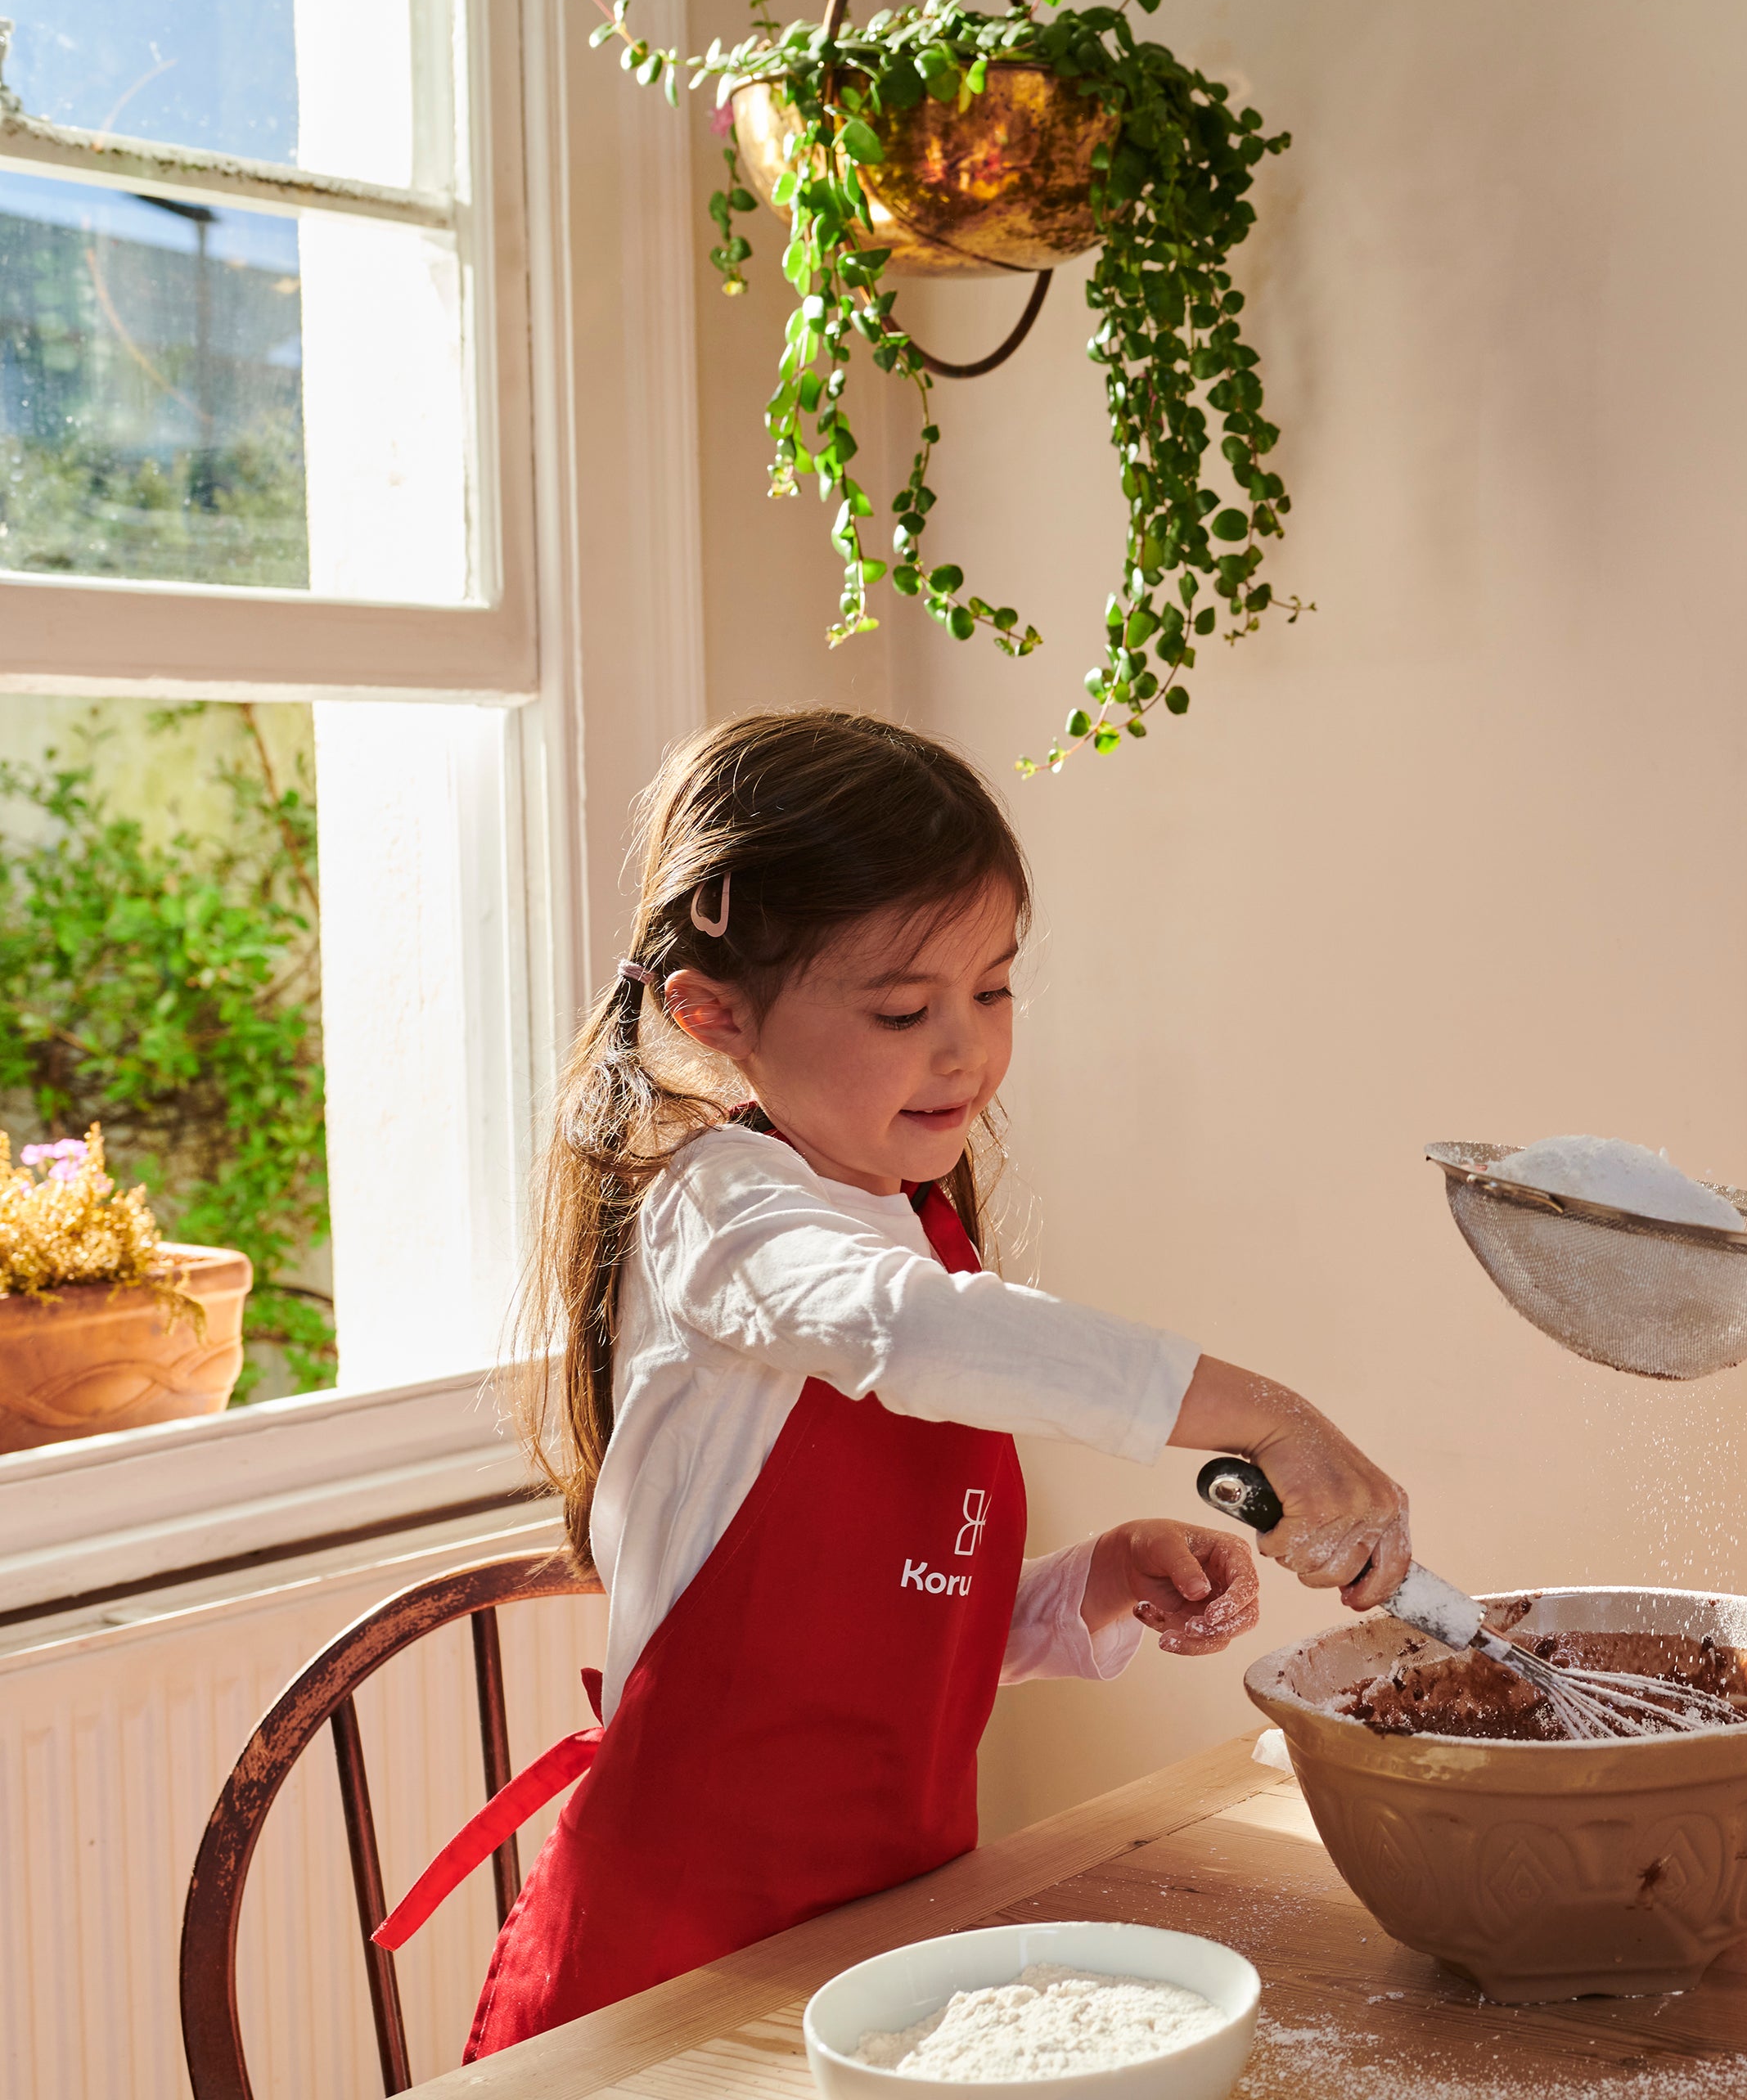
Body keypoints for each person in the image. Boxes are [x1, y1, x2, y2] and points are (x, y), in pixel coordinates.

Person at [376, 709, 1419, 2053]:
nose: (965, 1050)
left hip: (881, 1950)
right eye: (902, 1008)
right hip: (675, 1974)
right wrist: (1273, 1417)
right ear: (715, 1015)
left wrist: (1083, 1590)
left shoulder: (911, 1230)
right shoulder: (728, 1217)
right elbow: (915, 1337)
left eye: (992, 990)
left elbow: (882, 1641)